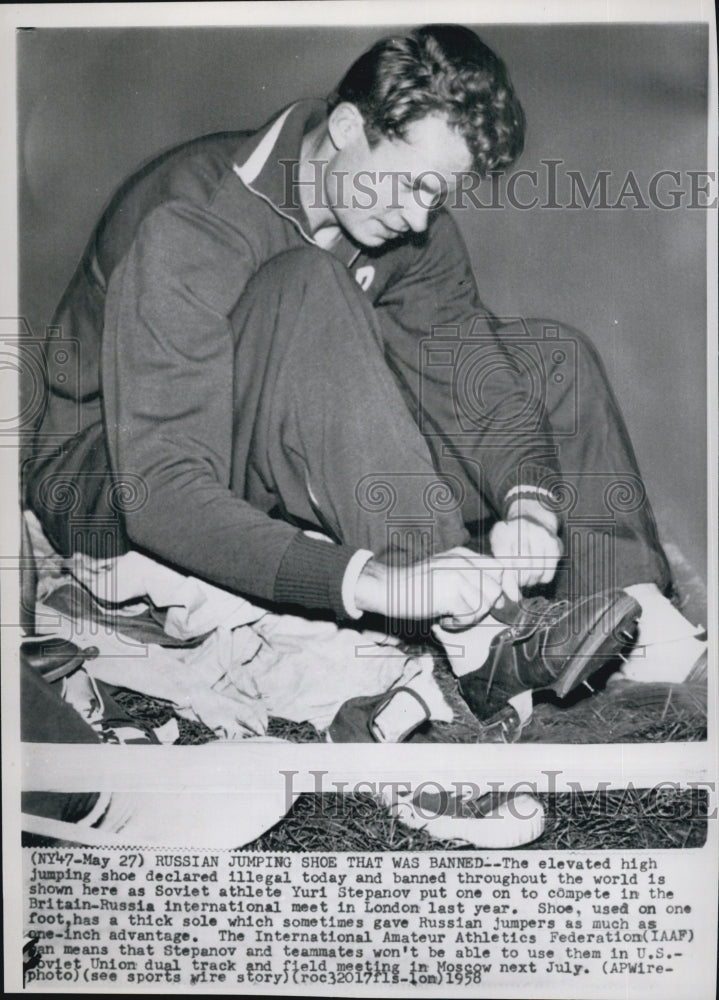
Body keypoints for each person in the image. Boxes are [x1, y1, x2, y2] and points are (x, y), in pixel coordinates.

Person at [23, 24, 704, 741]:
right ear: (347, 126)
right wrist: (380, 581)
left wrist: (528, 504)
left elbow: (473, 378)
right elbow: (159, 491)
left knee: (549, 361)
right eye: (412, 184)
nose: (417, 216)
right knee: (306, 287)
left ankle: (616, 608)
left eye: (436, 197)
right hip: (115, 485)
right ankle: (479, 635)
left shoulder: (402, 221)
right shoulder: (193, 217)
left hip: (277, 440)